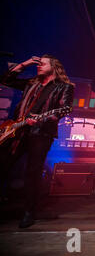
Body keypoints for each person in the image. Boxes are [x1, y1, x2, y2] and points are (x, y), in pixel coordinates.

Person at [0, 55, 74, 228]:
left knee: (32, 173)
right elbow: (6, 79)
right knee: (3, 165)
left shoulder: (64, 87)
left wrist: (44, 119)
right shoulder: (31, 84)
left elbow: (65, 109)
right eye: (38, 64)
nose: (39, 66)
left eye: (43, 64)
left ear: (54, 67)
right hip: (15, 131)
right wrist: (25, 64)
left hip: (40, 133)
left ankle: (29, 212)